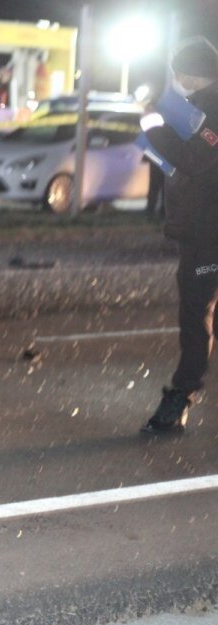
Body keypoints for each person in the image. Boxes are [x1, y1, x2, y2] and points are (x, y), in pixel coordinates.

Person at [139, 39, 218, 434]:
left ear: (192, 72)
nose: (176, 79)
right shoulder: (197, 107)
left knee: (195, 311)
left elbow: (194, 159)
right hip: (202, 230)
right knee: (198, 309)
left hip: (209, 237)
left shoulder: (212, 109)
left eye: (179, 72)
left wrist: (154, 129)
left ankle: (182, 395)